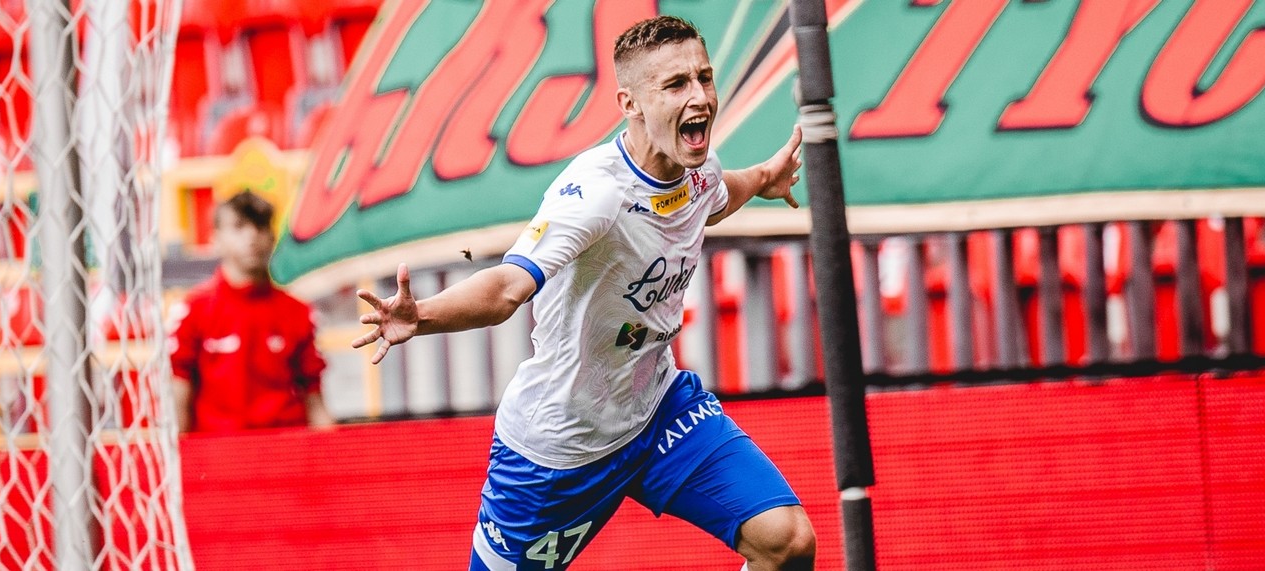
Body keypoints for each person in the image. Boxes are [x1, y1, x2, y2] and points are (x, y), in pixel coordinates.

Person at [353, 16, 814, 570]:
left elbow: (716, 195)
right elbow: (506, 287)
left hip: (659, 411)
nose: (700, 97)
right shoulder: (596, 194)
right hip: (559, 448)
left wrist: (764, 177)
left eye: (704, 78)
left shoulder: (696, 169)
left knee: (787, 542)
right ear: (630, 103)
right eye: (675, 85)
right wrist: (421, 315)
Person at [169, 190, 334, 433]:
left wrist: (333, 449)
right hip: (217, 449)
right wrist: (179, 453)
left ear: (272, 236)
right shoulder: (193, 311)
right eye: (239, 226)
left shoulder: (299, 313)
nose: (252, 236)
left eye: (260, 225)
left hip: (287, 447)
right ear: (216, 238)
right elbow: (178, 400)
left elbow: (315, 402)